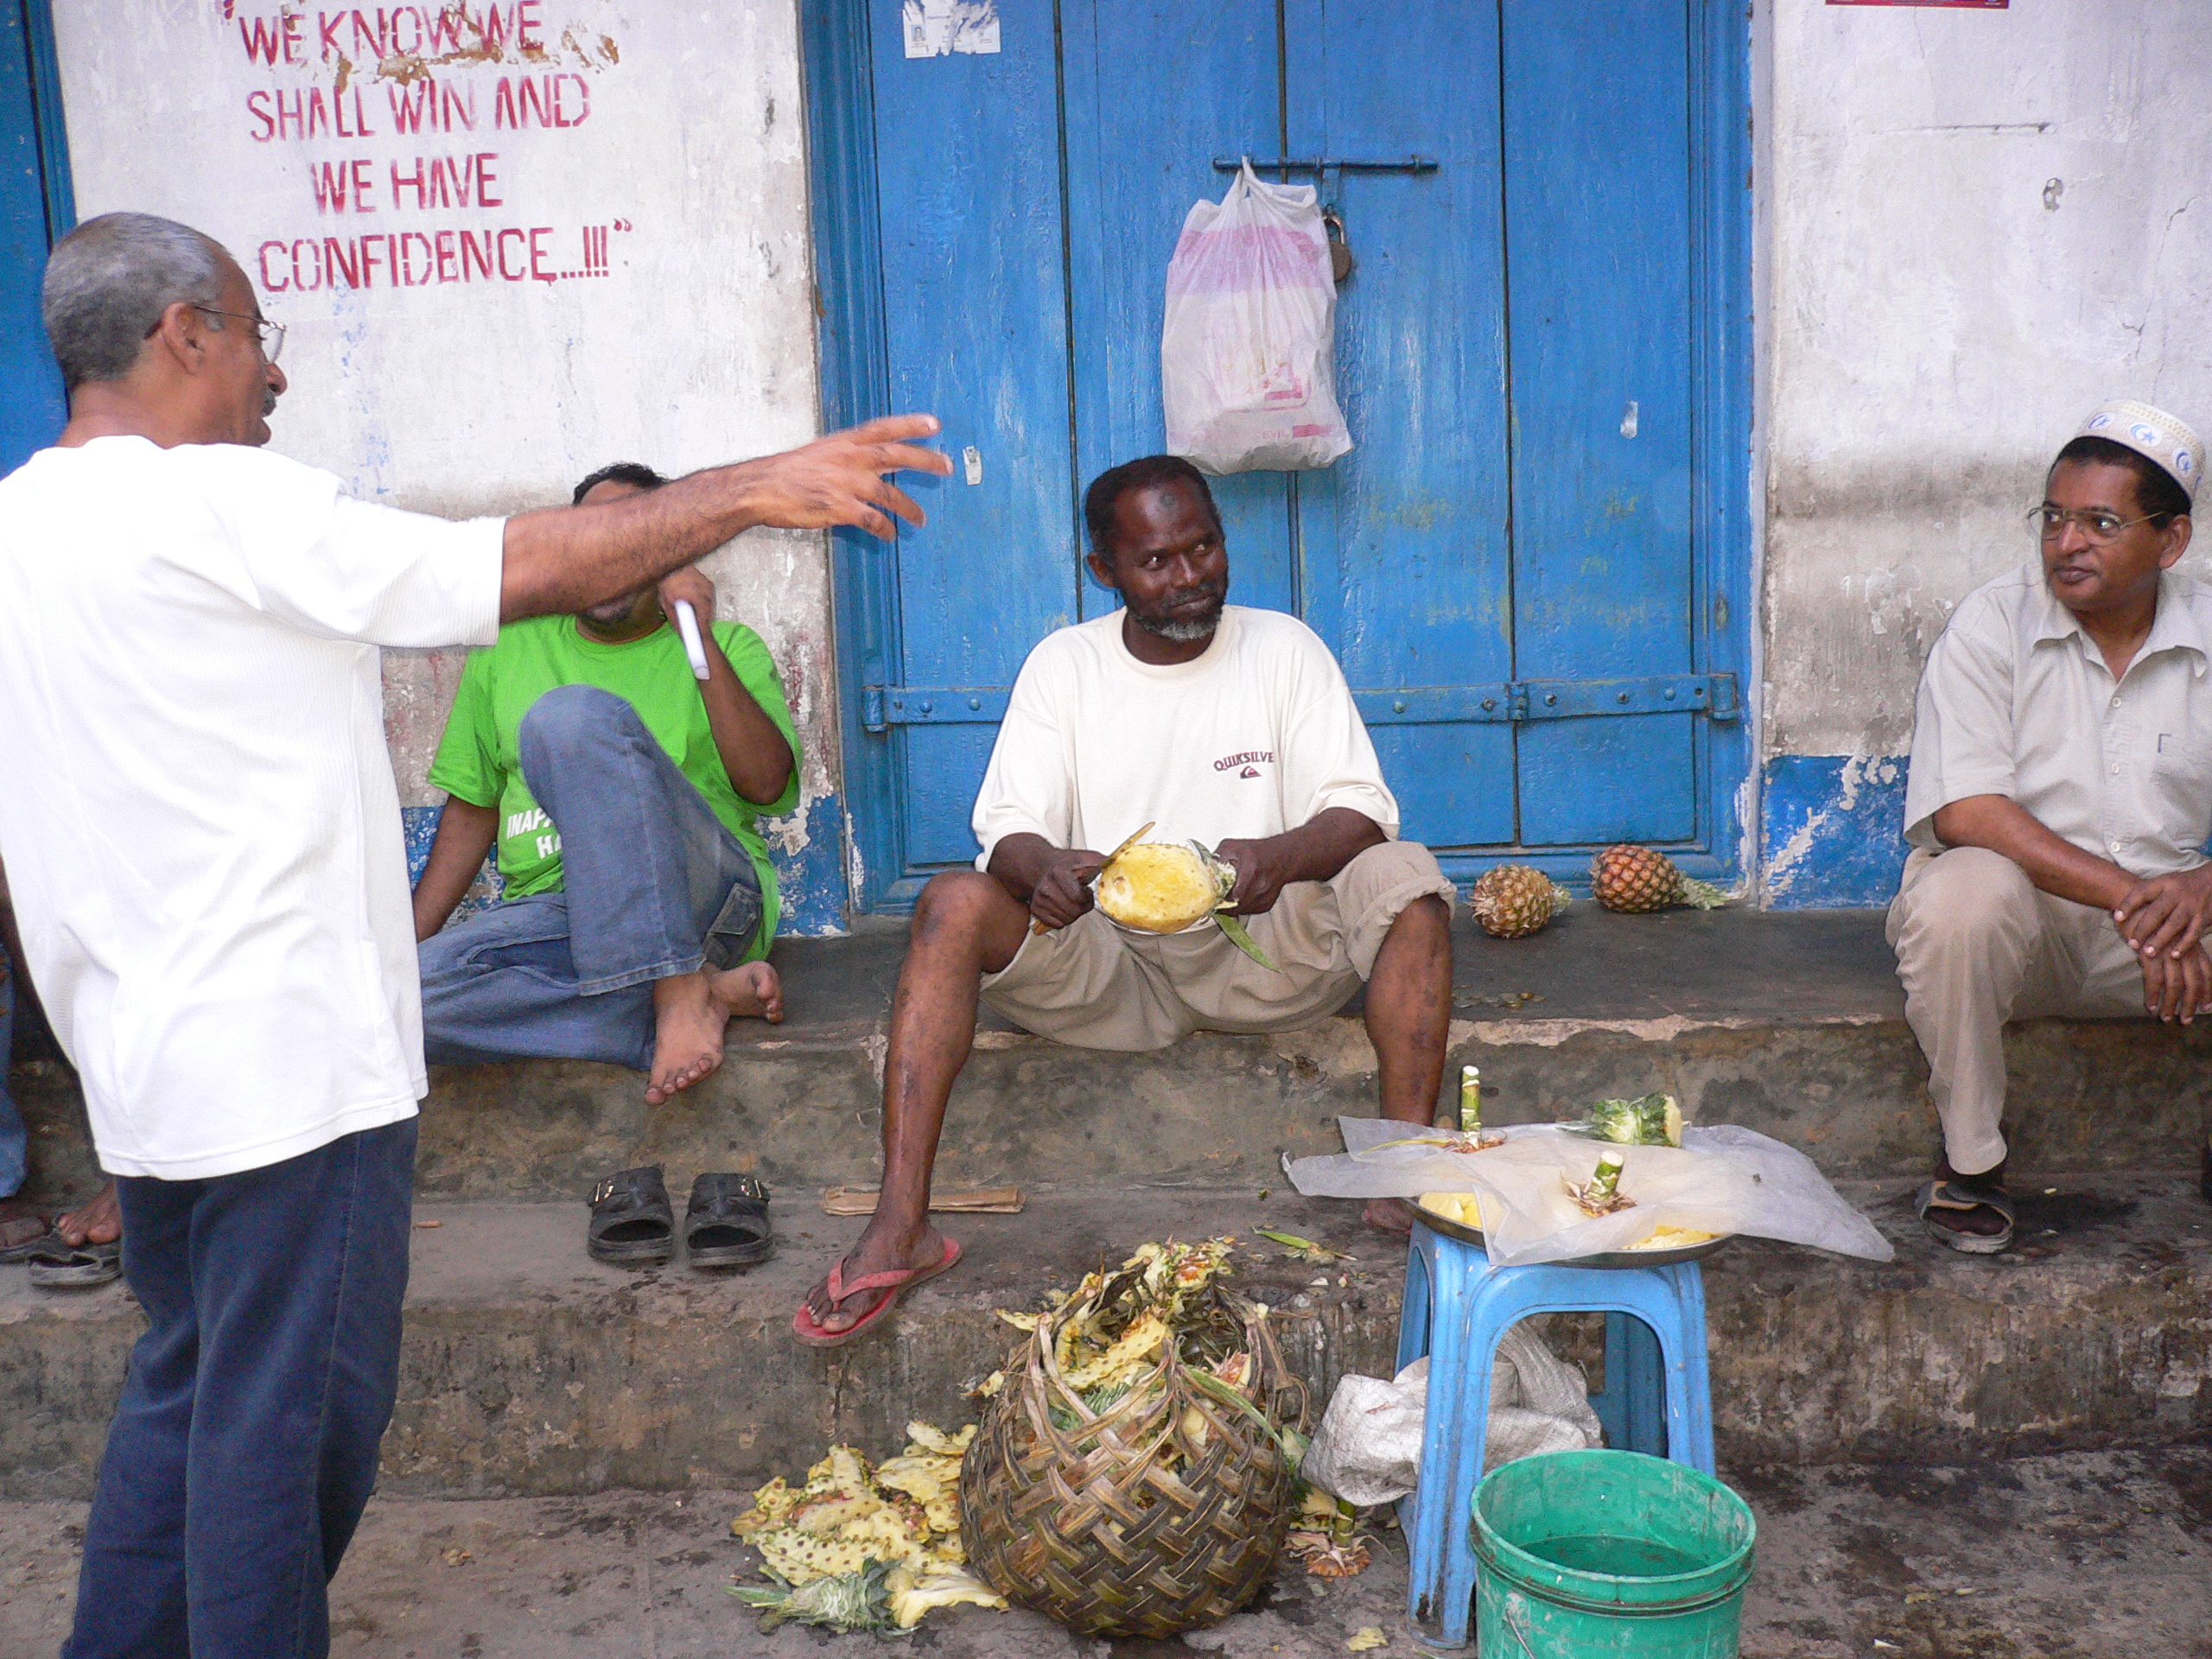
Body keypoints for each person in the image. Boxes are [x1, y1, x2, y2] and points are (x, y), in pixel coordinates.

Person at [0, 211, 947, 1658]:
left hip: (142, 1066)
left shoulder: (18, 528)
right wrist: (760, 482)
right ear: (183, 332)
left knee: (188, 1390)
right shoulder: (213, 507)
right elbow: (528, 563)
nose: (276, 379)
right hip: (286, 1080)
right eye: (258, 337)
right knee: (284, 1437)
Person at [796, 454, 1456, 1346]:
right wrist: (1043, 870)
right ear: (1104, 571)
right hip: (1107, 968)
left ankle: (1398, 1170)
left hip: (1266, 946)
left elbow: (1360, 812)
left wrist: (1274, 855)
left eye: (1205, 548)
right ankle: (900, 1223)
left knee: (1407, 878)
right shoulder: (1065, 668)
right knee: (953, 902)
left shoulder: (1285, 649)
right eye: (1157, 561)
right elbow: (1007, 830)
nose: (1189, 578)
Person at [412, 460, 800, 1267]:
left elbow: (765, 787)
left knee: (569, 721)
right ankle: (686, 1003)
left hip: (705, 904)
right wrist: (399, 950)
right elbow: (472, 813)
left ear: (661, 554)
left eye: (628, 542)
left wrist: (697, 644)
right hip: (562, 918)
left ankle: (681, 979)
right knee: (387, 1003)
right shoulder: (507, 652)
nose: (605, 560)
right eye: (590, 543)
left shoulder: (725, 648)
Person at [1891, 399, 2212, 1254]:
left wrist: (2196, 893)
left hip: (2164, 936)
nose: (2066, 543)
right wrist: (2139, 897)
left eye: (2100, 523)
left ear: (2169, 540)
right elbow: (1966, 810)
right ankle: (1969, 1165)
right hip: (2026, 928)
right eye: (2055, 518)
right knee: (1962, 890)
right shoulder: (1993, 622)